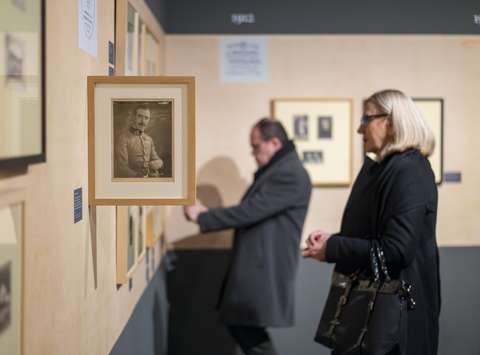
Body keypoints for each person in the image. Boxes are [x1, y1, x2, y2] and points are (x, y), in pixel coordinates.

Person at [303, 89, 441, 355]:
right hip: (370, 315)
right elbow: (373, 234)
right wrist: (333, 240)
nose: (359, 129)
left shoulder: (408, 170)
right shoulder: (386, 168)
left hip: (392, 321)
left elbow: (396, 251)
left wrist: (334, 247)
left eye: (366, 119)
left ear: (390, 122)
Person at [184, 118, 312, 355]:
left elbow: (250, 211)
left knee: (246, 329)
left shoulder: (289, 173)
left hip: (263, 268)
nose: (253, 153)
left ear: (274, 142)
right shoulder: (279, 170)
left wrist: (203, 216)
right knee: (243, 327)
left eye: (256, 146)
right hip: (258, 266)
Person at [115, 104, 163, 178]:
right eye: (140, 116)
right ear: (134, 117)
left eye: (146, 118)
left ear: (149, 120)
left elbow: (157, 159)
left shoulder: (149, 139)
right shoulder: (123, 138)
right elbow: (121, 168)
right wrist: (138, 176)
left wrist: (155, 164)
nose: (143, 121)